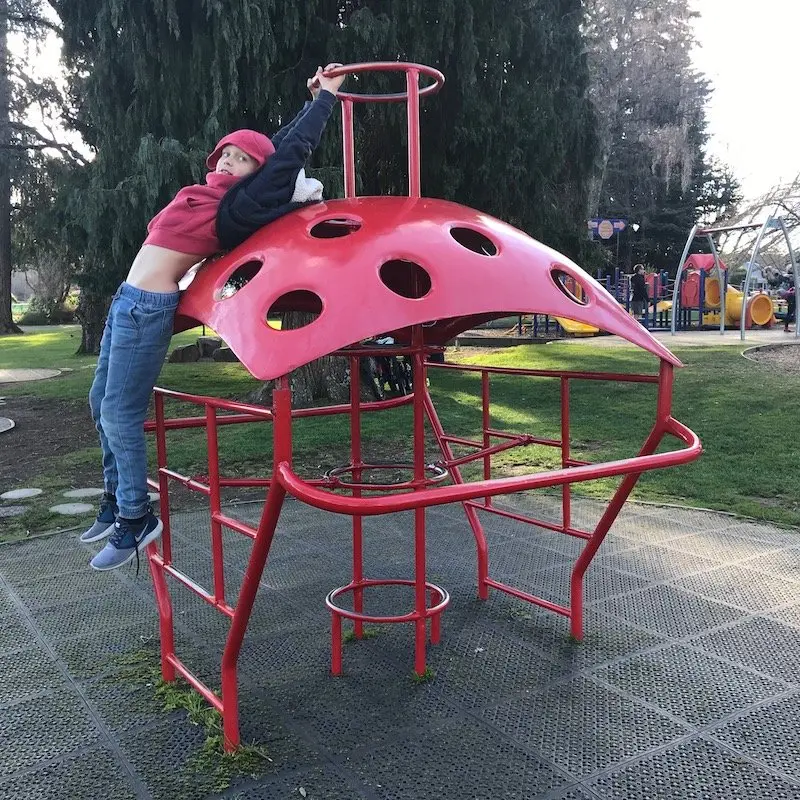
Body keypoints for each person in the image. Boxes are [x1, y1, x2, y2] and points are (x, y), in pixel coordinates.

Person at [82, 65, 345, 571]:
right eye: (225, 151)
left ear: (258, 176)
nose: (228, 158)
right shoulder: (203, 195)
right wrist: (308, 96)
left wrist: (326, 101)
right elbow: (278, 140)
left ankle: (137, 518)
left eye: (242, 158)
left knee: (120, 414)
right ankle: (116, 501)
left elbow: (289, 152)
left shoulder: (236, 208)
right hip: (125, 300)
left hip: (147, 310)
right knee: (99, 404)